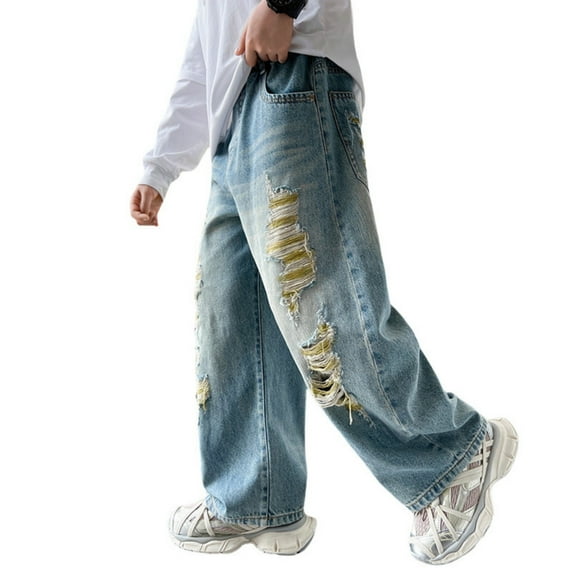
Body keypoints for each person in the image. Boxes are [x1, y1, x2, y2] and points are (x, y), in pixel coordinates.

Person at [129, 0, 518, 564]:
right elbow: (203, 51)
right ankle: (257, 498)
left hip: (293, 77)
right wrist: (160, 165)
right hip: (230, 125)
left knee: (326, 308)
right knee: (232, 323)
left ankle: (454, 455)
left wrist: (281, 5)